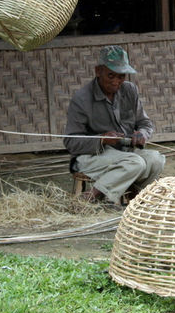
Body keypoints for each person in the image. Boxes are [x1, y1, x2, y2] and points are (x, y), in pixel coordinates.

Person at [65, 45, 165, 205]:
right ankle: (92, 196)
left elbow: (145, 123)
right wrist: (101, 140)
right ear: (98, 71)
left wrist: (142, 134)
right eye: (111, 75)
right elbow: (70, 142)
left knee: (156, 159)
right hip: (92, 157)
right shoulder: (82, 99)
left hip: (126, 154)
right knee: (135, 163)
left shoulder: (129, 90)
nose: (116, 82)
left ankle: (135, 199)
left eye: (121, 76)